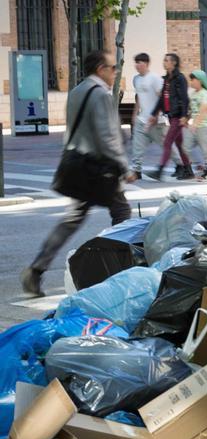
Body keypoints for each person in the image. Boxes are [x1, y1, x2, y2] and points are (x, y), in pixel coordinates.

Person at [21, 50, 135, 296]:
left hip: (79, 166)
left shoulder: (75, 92)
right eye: (112, 67)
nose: (115, 72)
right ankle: (122, 272)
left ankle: (36, 270)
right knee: (122, 215)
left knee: (71, 219)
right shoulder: (101, 95)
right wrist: (124, 167)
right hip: (100, 168)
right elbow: (107, 137)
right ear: (100, 69)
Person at [130, 53, 182, 180]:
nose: (137, 65)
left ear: (146, 64)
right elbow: (139, 98)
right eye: (136, 62)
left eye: (140, 62)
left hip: (156, 121)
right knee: (137, 146)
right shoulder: (136, 79)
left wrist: (156, 115)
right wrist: (134, 114)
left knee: (166, 145)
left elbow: (162, 98)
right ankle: (137, 170)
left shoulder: (155, 78)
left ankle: (181, 165)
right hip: (142, 119)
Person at [146, 53, 193, 181]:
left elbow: (184, 98)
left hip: (178, 116)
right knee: (179, 144)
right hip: (172, 116)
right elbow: (162, 99)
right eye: (164, 60)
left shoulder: (180, 78)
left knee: (167, 142)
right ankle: (188, 170)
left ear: (174, 63)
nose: (164, 62)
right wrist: (153, 114)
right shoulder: (167, 79)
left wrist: (184, 116)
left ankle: (159, 171)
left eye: (167, 60)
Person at [184, 70, 207, 181]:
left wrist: (194, 124)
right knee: (185, 147)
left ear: (200, 81)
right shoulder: (193, 93)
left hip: (205, 126)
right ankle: (199, 165)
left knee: (206, 150)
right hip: (195, 126)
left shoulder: (206, 94)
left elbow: (204, 111)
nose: (191, 81)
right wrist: (187, 119)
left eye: (193, 79)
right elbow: (192, 110)